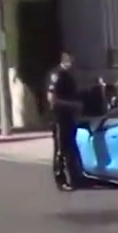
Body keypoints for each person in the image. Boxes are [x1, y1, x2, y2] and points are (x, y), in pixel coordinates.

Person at [47, 52, 82, 190]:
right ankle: (60, 179)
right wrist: (72, 105)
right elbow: (52, 100)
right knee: (61, 149)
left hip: (69, 117)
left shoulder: (69, 76)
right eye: (70, 61)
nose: (73, 64)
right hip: (59, 117)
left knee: (71, 147)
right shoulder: (57, 75)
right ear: (65, 61)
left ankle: (75, 177)